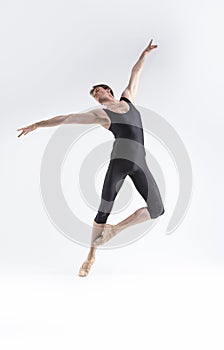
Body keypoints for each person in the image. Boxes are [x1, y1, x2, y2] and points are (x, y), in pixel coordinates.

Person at [16, 39, 165, 277]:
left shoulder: (128, 99)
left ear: (109, 91)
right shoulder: (100, 115)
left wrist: (144, 53)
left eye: (98, 91)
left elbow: (135, 72)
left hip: (140, 164)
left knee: (157, 209)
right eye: (94, 95)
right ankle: (90, 257)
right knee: (102, 212)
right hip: (118, 164)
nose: (96, 96)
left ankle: (114, 231)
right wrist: (38, 124)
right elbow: (67, 118)